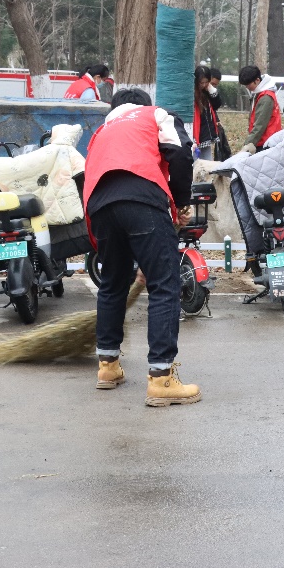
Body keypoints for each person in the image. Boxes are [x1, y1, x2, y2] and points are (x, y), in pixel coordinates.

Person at [83, 88, 200, 407]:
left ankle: (108, 366)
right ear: (143, 105)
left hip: (99, 205)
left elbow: (87, 177)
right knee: (164, 284)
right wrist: (181, 201)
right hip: (142, 199)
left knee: (112, 283)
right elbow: (180, 153)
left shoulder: (101, 132)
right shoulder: (156, 115)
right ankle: (161, 379)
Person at [238, 65, 282, 152]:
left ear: (257, 80)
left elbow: (260, 124)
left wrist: (248, 144)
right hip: (262, 140)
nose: (247, 87)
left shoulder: (266, 97)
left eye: (248, 84)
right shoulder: (258, 93)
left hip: (266, 143)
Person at [192, 65, 221, 160]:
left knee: (207, 161)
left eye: (206, 82)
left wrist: (212, 91)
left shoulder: (207, 92)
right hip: (196, 132)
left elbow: (216, 105)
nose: (204, 85)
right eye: (202, 82)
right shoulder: (193, 94)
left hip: (206, 133)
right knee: (195, 161)